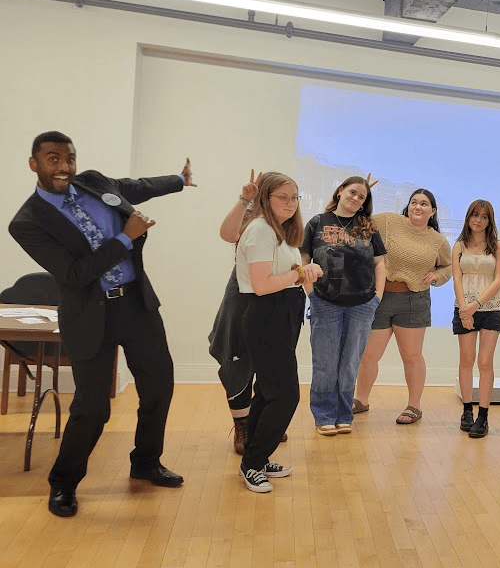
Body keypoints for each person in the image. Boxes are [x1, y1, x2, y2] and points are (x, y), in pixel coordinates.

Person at [9, 131, 193, 517]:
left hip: (136, 305)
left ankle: (145, 462)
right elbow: (75, 274)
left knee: (159, 387)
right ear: (34, 164)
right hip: (89, 316)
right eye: (53, 159)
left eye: (69, 158)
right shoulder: (27, 222)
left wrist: (178, 181)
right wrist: (126, 239)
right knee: (92, 409)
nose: (64, 167)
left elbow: (134, 187)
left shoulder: (92, 182)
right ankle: (63, 484)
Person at [234, 172, 322, 493]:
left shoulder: (279, 231)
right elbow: (262, 286)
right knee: (286, 396)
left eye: (294, 197)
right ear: (265, 199)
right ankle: (253, 463)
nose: (289, 203)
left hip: (282, 314)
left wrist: (299, 275)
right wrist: (301, 272)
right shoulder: (259, 230)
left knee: (269, 393)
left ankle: (257, 456)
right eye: (282, 197)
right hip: (267, 315)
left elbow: (280, 279)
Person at [353, 188, 451, 425]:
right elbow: (360, 221)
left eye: (424, 204)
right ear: (408, 206)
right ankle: (361, 400)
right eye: (414, 202)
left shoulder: (437, 240)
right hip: (380, 297)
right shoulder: (389, 221)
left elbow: (448, 267)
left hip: (413, 301)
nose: (418, 207)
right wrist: (362, 194)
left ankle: (414, 406)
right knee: (369, 355)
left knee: (412, 356)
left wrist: (437, 277)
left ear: (433, 211)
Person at [301, 176, 385, 436]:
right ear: (340, 192)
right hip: (325, 302)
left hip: (362, 305)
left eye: (361, 197)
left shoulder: (368, 228)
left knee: (350, 362)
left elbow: (380, 264)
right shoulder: (317, 222)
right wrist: (311, 295)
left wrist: (376, 299)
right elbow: (304, 260)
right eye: (352, 192)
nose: (355, 198)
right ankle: (324, 415)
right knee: (325, 361)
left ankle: (343, 413)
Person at [209, 170, 268, 455]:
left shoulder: (287, 223)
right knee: (237, 361)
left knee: (267, 366)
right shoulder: (251, 216)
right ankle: (242, 426)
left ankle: (259, 423)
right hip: (242, 296)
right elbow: (227, 234)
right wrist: (244, 200)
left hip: (274, 297)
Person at [451, 199, 500, 438]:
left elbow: (499, 280)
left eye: (484, 217)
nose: (478, 220)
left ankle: (483, 416)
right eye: (475, 215)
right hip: (464, 308)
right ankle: (467, 411)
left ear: (489, 221)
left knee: (485, 362)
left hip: (491, 308)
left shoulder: (498, 246)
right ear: (468, 217)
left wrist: (476, 304)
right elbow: (457, 278)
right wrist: (464, 308)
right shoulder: (459, 245)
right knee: (466, 360)